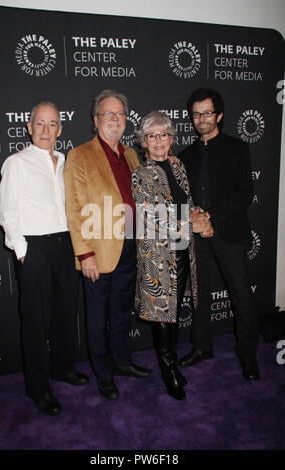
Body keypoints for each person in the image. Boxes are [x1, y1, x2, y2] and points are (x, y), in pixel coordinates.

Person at [0, 102, 88, 416]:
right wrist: (23, 252)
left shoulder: (66, 161)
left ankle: (62, 367)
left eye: (53, 124)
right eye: (40, 124)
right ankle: (38, 388)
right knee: (36, 322)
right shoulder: (16, 163)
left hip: (66, 244)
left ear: (60, 129)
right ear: (29, 127)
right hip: (34, 248)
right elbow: (7, 212)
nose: (46, 130)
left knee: (65, 313)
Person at [64, 90, 151, 400]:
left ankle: (122, 361)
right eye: (108, 113)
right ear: (95, 119)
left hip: (129, 246)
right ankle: (103, 374)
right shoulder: (80, 155)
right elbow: (74, 208)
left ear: (126, 120)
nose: (115, 118)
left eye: (120, 114)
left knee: (120, 311)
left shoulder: (130, 154)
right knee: (98, 316)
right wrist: (84, 253)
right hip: (97, 252)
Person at [178, 88, 260, 380]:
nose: (201, 118)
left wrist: (209, 215)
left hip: (228, 233)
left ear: (219, 115)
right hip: (196, 234)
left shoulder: (237, 148)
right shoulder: (185, 155)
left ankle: (248, 355)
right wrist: (196, 219)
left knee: (241, 295)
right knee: (199, 296)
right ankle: (202, 346)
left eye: (207, 113)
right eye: (197, 113)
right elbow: (182, 197)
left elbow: (244, 193)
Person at [132, 111, 213, 400]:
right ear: (144, 141)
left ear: (171, 139)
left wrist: (201, 219)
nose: (158, 141)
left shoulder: (178, 168)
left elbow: (187, 203)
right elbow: (149, 220)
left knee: (174, 313)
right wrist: (190, 223)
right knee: (163, 316)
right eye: (152, 136)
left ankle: (171, 364)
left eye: (163, 135)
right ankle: (168, 371)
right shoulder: (141, 174)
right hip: (157, 255)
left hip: (181, 251)